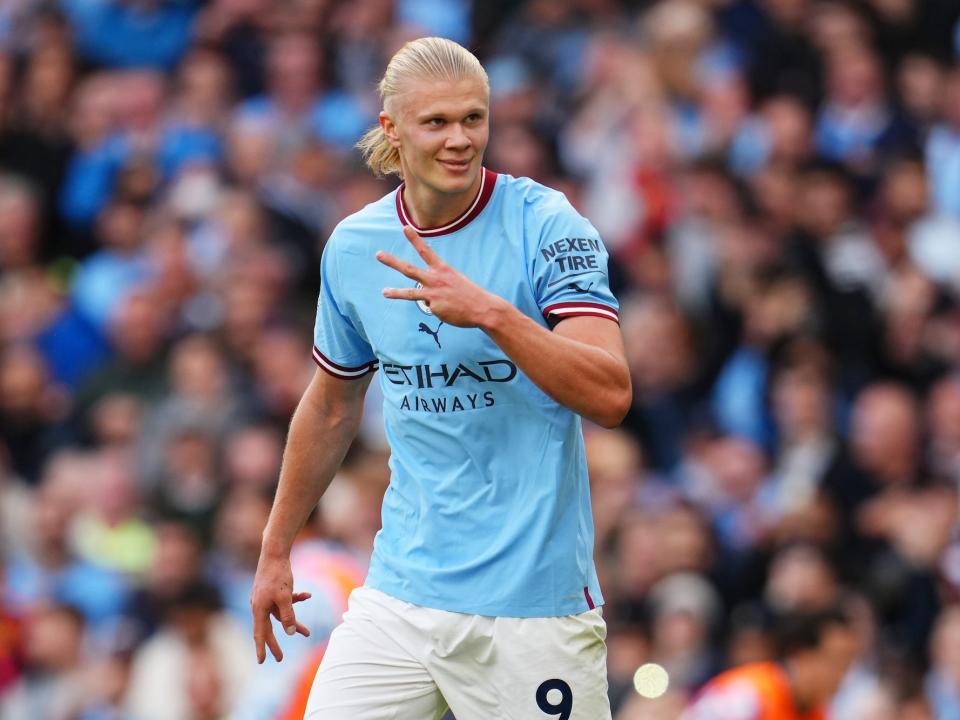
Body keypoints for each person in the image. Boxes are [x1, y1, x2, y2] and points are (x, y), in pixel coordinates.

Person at [249, 36, 631, 720]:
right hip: (402, 594)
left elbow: (610, 392)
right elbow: (332, 406)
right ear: (392, 131)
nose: (460, 139)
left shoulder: (546, 226)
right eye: (437, 123)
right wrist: (276, 548)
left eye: (474, 119)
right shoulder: (355, 247)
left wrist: (489, 312)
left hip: (531, 608)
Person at [681, 607, 859, 720]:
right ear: (802, 655)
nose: (843, 673)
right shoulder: (747, 695)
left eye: (849, 662)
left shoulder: (818, 713)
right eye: (838, 660)